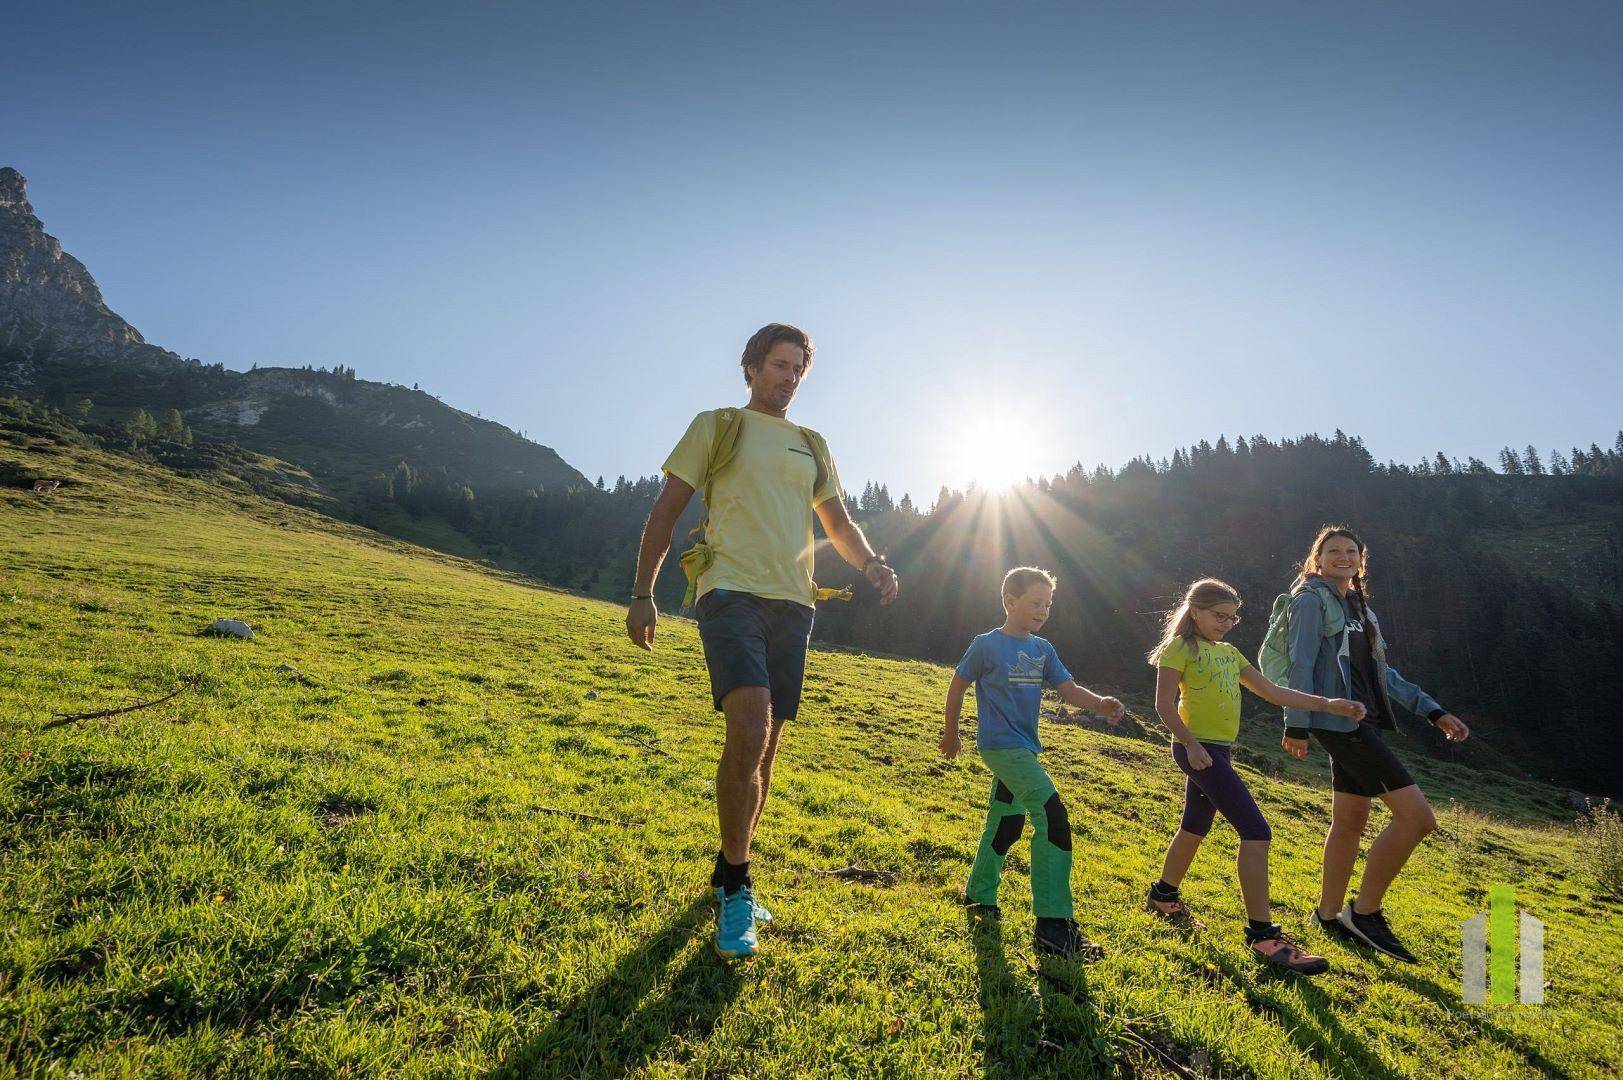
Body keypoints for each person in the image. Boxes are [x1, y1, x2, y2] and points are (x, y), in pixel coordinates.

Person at [626, 323, 899, 961]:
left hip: (794, 603)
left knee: (767, 746)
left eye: (798, 369)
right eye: (779, 365)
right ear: (751, 367)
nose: (789, 378)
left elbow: (837, 521)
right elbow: (666, 510)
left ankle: (729, 866)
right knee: (747, 726)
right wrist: (643, 592)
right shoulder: (718, 425)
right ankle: (739, 888)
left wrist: (871, 563)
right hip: (729, 591)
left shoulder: (811, 443)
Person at [1145, 578, 1365, 975]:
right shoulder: (1180, 648)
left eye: (1232, 617)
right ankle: (1263, 936)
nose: (1226, 623)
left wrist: (1328, 704)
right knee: (1256, 831)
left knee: (1194, 827)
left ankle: (1163, 895)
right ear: (1195, 610)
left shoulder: (1230, 653)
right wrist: (1190, 744)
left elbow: (1274, 692)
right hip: (1199, 750)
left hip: (1218, 751)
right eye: (1218, 616)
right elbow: (1162, 704)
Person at [1276, 525, 1470, 962]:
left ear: (1361, 562)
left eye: (1350, 551)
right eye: (1332, 551)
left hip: (1359, 721)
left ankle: (1327, 915)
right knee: (1418, 819)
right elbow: (1300, 663)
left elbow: (1385, 674)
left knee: (1350, 818)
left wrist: (1432, 710)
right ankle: (1365, 912)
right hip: (1338, 722)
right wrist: (1296, 723)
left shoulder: (1360, 609)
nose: (1342, 556)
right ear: (1317, 559)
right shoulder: (1310, 601)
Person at [939, 566, 1125, 959]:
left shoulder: (1043, 649)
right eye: (1035, 602)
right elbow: (957, 686)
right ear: (1010, 601)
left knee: (1007, 821)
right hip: (1000, 746)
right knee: (1052, 816)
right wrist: (951, 733)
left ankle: (979, 895)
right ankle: (1053, 926)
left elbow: (1069, 690)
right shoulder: (986, 645)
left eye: (1048, 604)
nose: (1043, 610)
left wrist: (1100, 703)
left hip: (1025, 749)